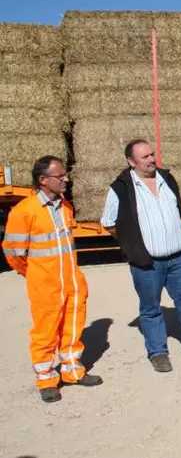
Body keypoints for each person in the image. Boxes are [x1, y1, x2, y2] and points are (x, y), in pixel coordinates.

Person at [101, 140, 181, 373]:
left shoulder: (167, 179)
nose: (151, 159)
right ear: (131, 162)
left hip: (178, 258)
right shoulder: (121, 188)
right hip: (147, 262)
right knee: (150, 308)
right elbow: (108, 222)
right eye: (144, 157)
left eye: (152, 154)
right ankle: (158, 352)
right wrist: (131, 244)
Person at [2, 156, 102, 403]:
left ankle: (71, 371)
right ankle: (46, 379)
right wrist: (35, 274)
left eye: (65, 175)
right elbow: (14, 253)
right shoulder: (24, 211)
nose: (66, 179)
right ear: (43, 180)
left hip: (71, 281)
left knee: (72, 326)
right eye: (60, 176)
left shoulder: (66, 207)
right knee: (45, 331)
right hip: (44, 284)